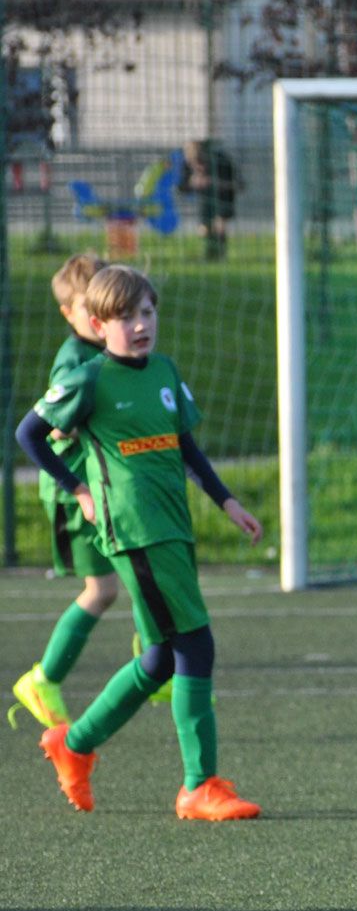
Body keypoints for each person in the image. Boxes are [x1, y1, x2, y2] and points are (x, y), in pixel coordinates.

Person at [14, 265, 265, 819]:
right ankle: (199, 786)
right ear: (99, 326)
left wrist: (228, 502)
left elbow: (187, 449)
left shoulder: (166, 372)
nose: (140, 324)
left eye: (147, 312)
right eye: (126, 317)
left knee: (159, 659)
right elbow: (29, 434)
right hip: (135, 532)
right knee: (195, 645)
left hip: (173, 527)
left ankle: (73, 744)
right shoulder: (89, 378)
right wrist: (77, 488)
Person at [10, 253, 123, 733]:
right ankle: (44, 678)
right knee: (102, 589)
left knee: (138, 569)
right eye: (86, 306)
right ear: (69, 313)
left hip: (101, 488)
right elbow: (47, 430)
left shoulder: (111, 353)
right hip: (74, 495)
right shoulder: (74, 363)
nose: (99, 315)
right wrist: (75, 480)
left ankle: (157, 661)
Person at [178, 139, 238, 261]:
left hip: (223, 198)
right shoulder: (188, 164)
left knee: (219, 225)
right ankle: (210, 254)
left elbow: (236, 184)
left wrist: (213, 182)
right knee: (204, 229)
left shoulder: (221, 162)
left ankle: (220, 255)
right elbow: (182, 186)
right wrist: (193, 182)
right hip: (205, 201)